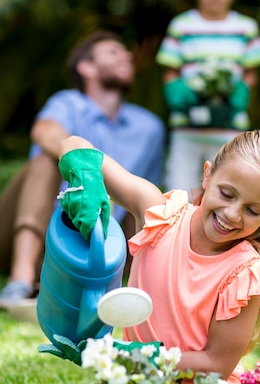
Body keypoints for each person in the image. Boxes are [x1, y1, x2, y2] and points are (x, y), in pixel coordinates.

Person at [7, 129, 260, 384]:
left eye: (253, 210)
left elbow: (216, 365)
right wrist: (84, 173)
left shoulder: (247, 272)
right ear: (207, 174)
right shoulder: (161, 213)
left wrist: (133, 355)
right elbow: (73, 144)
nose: (233, 214)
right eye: (226, 193)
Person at [0, 30, 166, 310]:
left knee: (150, 199)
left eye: (126, 53)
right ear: (86, 67)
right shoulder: (67, 103)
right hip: (34, 232)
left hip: (95, 245)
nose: (126, 56)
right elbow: (44, 130)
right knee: (44, 161)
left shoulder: (149, 127)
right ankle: (21, 278)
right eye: (113, 52)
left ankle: (124, 285)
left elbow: (146, 194)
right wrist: (83, 165)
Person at [156, 0, 260, 195]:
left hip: (229, 128)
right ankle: (178, 233)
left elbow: (250, 72)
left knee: (227, 189)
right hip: (187, 128)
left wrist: (242, 90)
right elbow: (171, 69)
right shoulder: (182, 26)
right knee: (180, 190)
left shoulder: (245, 27)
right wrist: (175, 92)